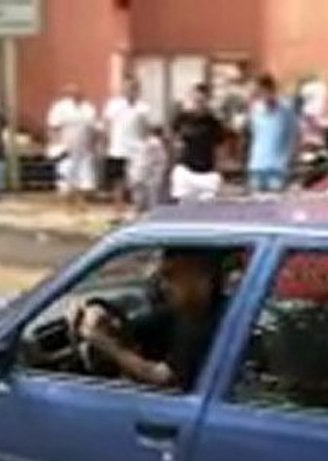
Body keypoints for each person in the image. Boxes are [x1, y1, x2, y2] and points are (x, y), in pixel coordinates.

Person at [73, 248, 225, 392]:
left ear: (202, 278)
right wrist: (96, 307)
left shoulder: (220, 326)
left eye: (171, 277)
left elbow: (163, 379)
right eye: (162, 278)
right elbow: (131, 325)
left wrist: (106, 345)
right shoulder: (181, 314)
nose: (163, 286)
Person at [170, 83, 225, 202]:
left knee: (207, 209)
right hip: (186, 171)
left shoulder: (214, 123)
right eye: (195, 100)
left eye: (202, 100)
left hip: (207, 173)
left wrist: (219, 171)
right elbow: (174, 139)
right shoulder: (182, 119)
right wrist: (175, 153)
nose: (198, 104)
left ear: (207, 101)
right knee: (184, 208)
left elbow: (220, 149)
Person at [103, 77, 150, 216]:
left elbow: (146, 129)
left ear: (138, 90)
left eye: (133, 88)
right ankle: (118, 210)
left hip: (137, 149)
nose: (129, 91)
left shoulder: (143, 107)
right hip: (118, 148)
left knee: (137, 180)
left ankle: (137, 208)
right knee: (118, 180)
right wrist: (106, 142)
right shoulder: (113, 105)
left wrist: (145, 144)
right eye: (127, 87)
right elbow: (107, 124)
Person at [47, 84, 98, 211]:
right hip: (65, 147)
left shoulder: (88, 109)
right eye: (72, 93)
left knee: (84, 177)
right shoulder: (60, 107)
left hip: (84, 148)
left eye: (78, 93)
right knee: (66, 176)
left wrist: (94, 144)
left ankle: (81, 202)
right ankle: (67, 205)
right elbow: (53, 127)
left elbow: (93, 128)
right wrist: (55, 144)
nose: (75, 95)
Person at [246, 73, 298, 194]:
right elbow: (254, 135)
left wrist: (290, 159)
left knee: (274, 202)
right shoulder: (255, 111)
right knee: (255, 202)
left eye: (266, 91)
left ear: (273, 90)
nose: (264, 95)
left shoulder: (286, 112)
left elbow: (293, 137)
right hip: (257, 165)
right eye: (260, 92)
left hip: (277, 167)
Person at [129, 125, 168, 215]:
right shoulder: (156, 142)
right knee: (150, 199)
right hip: (147, 173)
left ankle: (138, 213)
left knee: (139, 200)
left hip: (137, 172)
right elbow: (161, 159)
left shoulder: (141, 142)